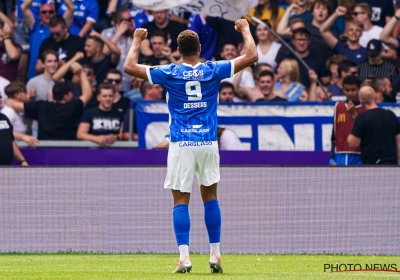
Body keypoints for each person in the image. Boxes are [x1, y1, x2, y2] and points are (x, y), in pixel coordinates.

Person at [123, 19, 258, 273]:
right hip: (208, 141)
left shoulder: (170, 72)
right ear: (199, 48)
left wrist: (137, 40)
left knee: (180, 201)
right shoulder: (213, 69)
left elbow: (129, 66)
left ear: (178, 49)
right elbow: (251, 55)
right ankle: (215, 254)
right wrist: (245, 30)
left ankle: (184, 257)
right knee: (210, 199)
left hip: (181, 143)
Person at [5, 62, 92, 140]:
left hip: (44, 151)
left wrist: (11, 99)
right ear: (66, 96)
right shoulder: (73, 107)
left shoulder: (41, 106)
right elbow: (88, 94)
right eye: (71, 93)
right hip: (66, 151)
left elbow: (11, 103)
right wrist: (81, 73)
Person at [348, 86, 400, 165]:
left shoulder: (362, 118)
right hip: (391, 165)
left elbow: (352, 143)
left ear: (361, 101)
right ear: (375, 97)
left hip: (371, 166)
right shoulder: (391, 115)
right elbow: (398, 141)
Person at [329, 75, 365, 166]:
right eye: (347, 90)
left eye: (353, 90)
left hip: (360, 156)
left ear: (359, 89)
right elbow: (334, 135)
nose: (350, 93)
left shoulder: (365, 108)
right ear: (342, 89)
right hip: (340, 155)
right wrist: (331, 158)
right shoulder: (338, 107)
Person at [1, 82, 39, 147]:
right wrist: (23, 137)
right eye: (24, 91)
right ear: (17, 95)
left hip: (20, 148)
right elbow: (3, 131)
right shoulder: (8, 112)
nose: (27, 93)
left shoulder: (19, 110)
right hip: (10, 150)